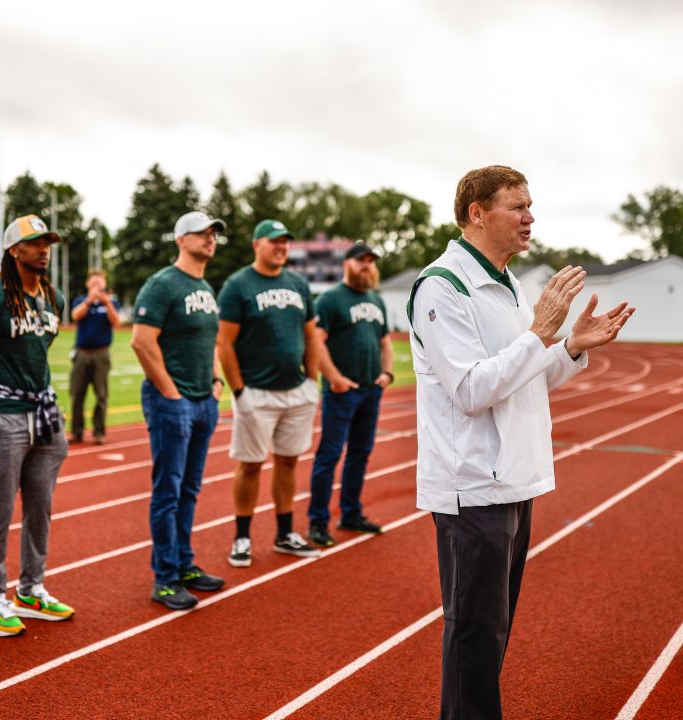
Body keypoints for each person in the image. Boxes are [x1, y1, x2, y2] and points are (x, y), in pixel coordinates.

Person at [409, 165, 635, 719]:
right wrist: (539, 334)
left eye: (530, 205)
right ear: (476, 214)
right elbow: (470, 389)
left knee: (490, 635)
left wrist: (571, 348)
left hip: (512, 479)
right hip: (473, 488)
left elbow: (522, 378)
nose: (529, 216)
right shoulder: (443, 286)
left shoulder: (509, 283)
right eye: (517, 206)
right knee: (474, 637)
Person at [0, 214, 75, 638]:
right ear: (13, 250)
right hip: (2, 414)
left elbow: (39, 352)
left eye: (47, 242)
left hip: (45, 412)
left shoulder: (52, 296)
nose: (44, 249)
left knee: (40, 506)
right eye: (34, 243)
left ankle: (30, 589)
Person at [130, 210, 230, 610]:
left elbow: (211, 341)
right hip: (172, 402)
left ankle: (185, 563)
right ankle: (166, 577)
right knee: (168, 491)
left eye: (213, 234)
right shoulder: (162, 284)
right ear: (180, 239)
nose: (210, 239)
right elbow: (141, 342)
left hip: (203, 400)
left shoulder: (204, 285)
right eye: (202, 234)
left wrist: (217, 381)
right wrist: (171, 393)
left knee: (189, 488)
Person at [218, 219, 323, 567]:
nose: (281, 247)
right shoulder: (238, 285)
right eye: (274, 241)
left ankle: (284, 532)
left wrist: (313, 381)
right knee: (249, 465)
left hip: (296, 391)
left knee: (289, 461)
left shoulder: (297, 283)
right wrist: (239, 391)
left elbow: (310, 335)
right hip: (257, 392)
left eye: (285, 242)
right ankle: (242, 536)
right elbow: (225, 343)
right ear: (257, 245)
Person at [304, 242, 394, 548]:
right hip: (342, 393)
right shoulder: (330, 300)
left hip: (371, 391)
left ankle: (351, 513)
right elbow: (316, 343)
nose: (367, 266)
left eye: (370, 261)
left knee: (360, 454)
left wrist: (388, 373)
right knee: (329, 456)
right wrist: (334, 378)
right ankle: (317, 521)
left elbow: (385, 342)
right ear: (347, 264)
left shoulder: (376, 300)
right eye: (361, 261)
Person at [69, 269, 120, 444]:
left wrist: (107, 303)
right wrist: (89, 301)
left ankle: (99, 432)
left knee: (101, 395)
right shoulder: (81, 300)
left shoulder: (111, 303)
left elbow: (116, 322)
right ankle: (77, 431)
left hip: (101, 354)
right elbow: (75, 315)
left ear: (105, 284)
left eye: (99, 282)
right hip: (82, 354)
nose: (97, 285)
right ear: (87, 284)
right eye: (93, 282)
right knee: (77, 395)